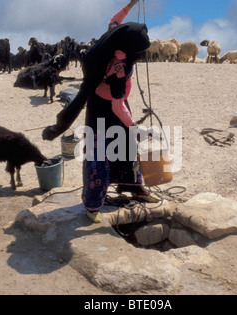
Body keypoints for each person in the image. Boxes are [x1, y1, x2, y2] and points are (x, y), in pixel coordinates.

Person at [42, 1, 156, 223]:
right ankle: (93, 206)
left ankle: (134, 188)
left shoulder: (114, 37)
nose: (142, 54)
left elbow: (114, 20)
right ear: (128, 51)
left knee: (127, 149)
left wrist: (131, 4)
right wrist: (133, 126)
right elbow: (117, 104)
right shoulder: (119, 68)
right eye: (140, 51)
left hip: (117, 105)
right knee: (98, 159)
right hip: (103, 113)